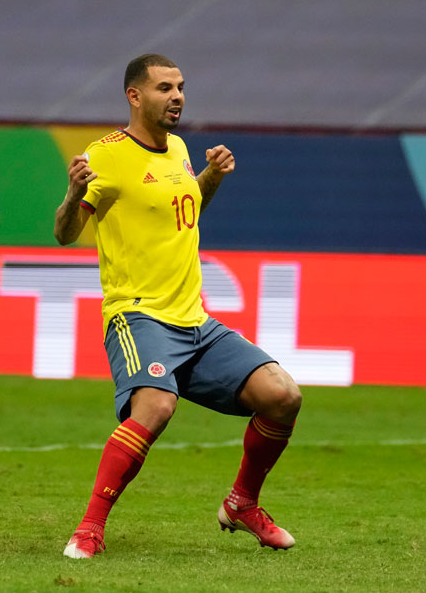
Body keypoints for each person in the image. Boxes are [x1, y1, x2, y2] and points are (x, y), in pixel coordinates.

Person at [53, 53, 302, 558]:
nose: (178, 96)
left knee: (282, 395)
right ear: (135, 96)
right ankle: (89, 528)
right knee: (156, 406)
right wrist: (73, 192)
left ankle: (242, 504)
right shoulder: (106, 156)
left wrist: (210, 176)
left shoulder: (180, 149)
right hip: (138, 313)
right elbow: (65, 234)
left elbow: (183, 211)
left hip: (195, 320)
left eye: (181, 87)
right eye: (165, 87)